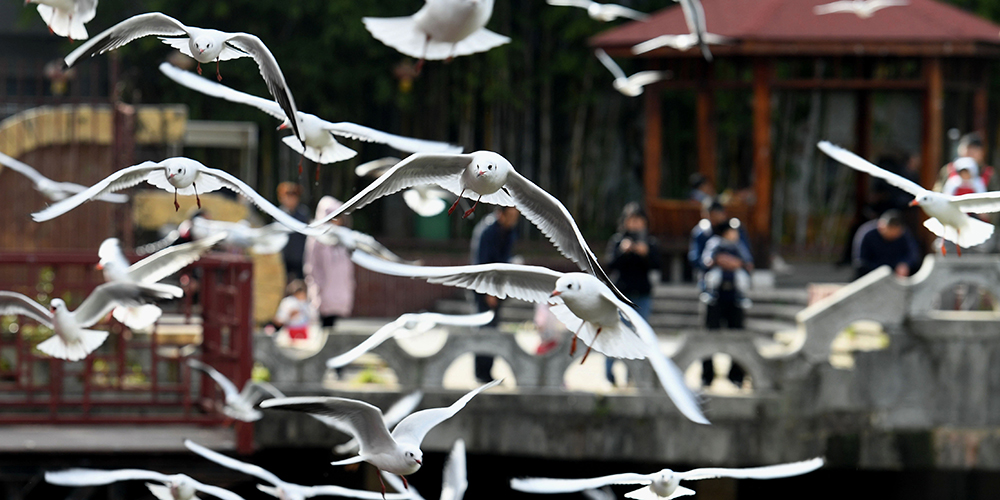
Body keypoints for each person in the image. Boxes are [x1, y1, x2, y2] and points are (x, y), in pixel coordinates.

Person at [604, 202, 660, 385]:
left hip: (642, 295)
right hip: (620, 295)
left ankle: (632, 375)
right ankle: (609, 373)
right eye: (631, 220)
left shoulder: (650, 242)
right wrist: (623, 251)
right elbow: (610, 265)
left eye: (638, 220)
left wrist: (646, 253)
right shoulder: (618, 241)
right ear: (625, 221)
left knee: (638, 336)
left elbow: (656, 265)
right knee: (616, 333)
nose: (635, 224)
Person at [469, 207, 520, 383]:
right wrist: (489, 292)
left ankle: (487, 372)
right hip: (484, 289)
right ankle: (480, 373)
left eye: (516, 216)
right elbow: (482, 263)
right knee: (485, 329)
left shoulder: (508, 231)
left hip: (497, 289)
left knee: (493, 329)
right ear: (501, 214)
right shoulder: (488, 231)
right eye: (511, 216)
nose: (514, 219)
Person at [303, 196, 356, 331]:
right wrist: (317, 286)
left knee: (333, 325)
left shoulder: (344, 237)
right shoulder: (317, 237)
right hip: (324, 288)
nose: (336, 221)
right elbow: (312, 265)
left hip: (339, 288)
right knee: (323, 324)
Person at [852, 209, 921, 280]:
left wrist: (905, 264)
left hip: (896, 274)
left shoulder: (904, 234)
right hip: (872, 274)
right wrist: (882, 272)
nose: (892, 237)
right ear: (881, 226)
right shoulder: (867, 233)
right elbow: (860, 261)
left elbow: (913, 254)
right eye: (890, 234)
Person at [700, 219, 753, 310]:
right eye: (732, 232)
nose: (735, 234)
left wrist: (746, 263)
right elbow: (708, 255)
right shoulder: (716, 242)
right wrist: (710, 260)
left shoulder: (738, 244)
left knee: (742, 278)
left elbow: (745, 257)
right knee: (712, 277)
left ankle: (741, 295)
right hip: (719, 269)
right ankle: (710, 292)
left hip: (735, 271)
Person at [688, 200, 730, 280]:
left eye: (717, 214)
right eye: (712, 215)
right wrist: (712, 261)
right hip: (709, 271)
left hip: (733, 268)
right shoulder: (701, 232)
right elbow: (694, 257)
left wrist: (735, 262)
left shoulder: (731, 230)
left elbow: (744, 251)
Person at [277, 182, 310, 281]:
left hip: (300, 260)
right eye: (288, 196)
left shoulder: (303, 214)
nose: (291, 199)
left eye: (293, 196)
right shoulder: (278, 214)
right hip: (283, 261)